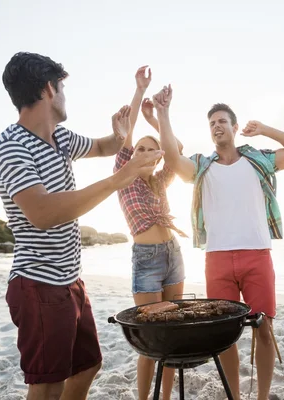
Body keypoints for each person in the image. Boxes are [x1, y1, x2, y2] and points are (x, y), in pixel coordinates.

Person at [0, 52, 162, 400]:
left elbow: (107, 144)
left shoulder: (62, 139)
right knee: (47, 385)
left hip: (70, 280)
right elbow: (43, 213)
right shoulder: (10, 146)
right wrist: (121, 177)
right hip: (38, 283)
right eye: (63, 87)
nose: (66, 95)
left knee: (87, 365)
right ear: (49, 89)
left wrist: (128, 114)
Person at [151, 85, 284, 400]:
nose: (217, 126)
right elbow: (171, 155)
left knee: (264, 330)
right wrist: (163, 114)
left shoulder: (258, 160)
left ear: (234, 128)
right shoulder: (201, 168)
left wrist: (264, 130)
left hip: (257, 256)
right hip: (218, 260)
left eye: (222, 121)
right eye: (212, 123)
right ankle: (234, 396)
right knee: (225, 336)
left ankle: (262, 397)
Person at [113, 66, 187, 400]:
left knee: (170, 336)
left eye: (149, 150)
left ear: (156, 158)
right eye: (138, 149)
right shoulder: (123, 176)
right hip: (146, 261)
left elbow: (177, 148)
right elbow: (125, 139)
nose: (142, 153)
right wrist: (140, 90)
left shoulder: (160, 180)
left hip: (173, 255)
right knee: (149, 337)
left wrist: (156, 119)